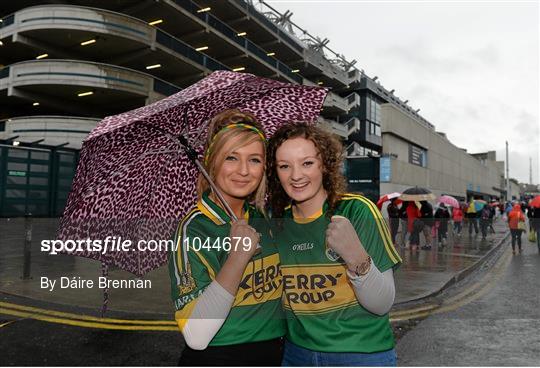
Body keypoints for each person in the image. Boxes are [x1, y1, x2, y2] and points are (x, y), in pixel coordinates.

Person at [267, 123, 401, 366]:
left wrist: (356, 256)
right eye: (284, 166)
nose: (296, 175)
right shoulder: (276, 224)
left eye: (307, 163)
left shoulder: (358, 210)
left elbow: (382, 304)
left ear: (325, 165)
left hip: (361, 354)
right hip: (296, 354)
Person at [168, 109, 285, 366]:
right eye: (231, 157)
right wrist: (237, 258)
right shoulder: (195, 229)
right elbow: (196, 336)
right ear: (212, 162)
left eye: (254, 160)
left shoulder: (261, 217)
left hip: (275, 354)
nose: (244, 171)